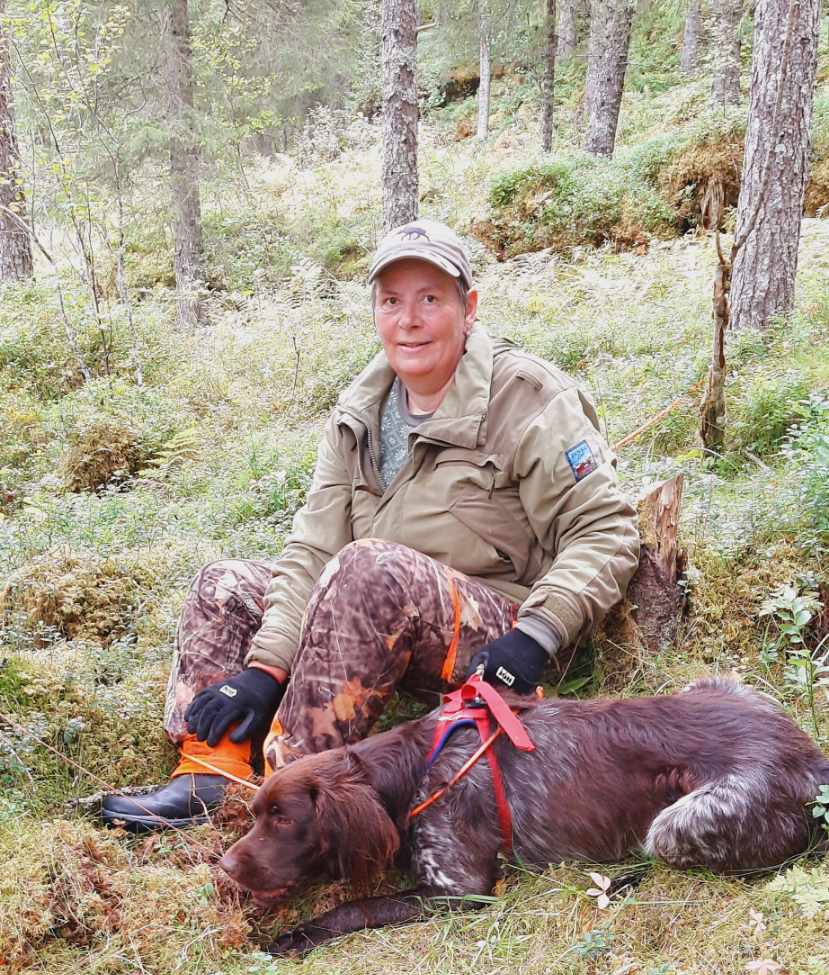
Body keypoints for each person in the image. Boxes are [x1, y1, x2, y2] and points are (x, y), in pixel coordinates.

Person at [101, 219, 640, 830]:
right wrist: (264, 670)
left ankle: (297, 802)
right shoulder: (361, 409)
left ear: (468, 308)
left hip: (499, 639)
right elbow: (315, 546)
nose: (409, 320)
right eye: (391, 302)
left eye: (430, 299)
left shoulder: (528, 398)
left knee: (369, 567)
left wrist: (536, 635)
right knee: (225, 585)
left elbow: (607, 529)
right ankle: (211, 773)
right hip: (369, 613)